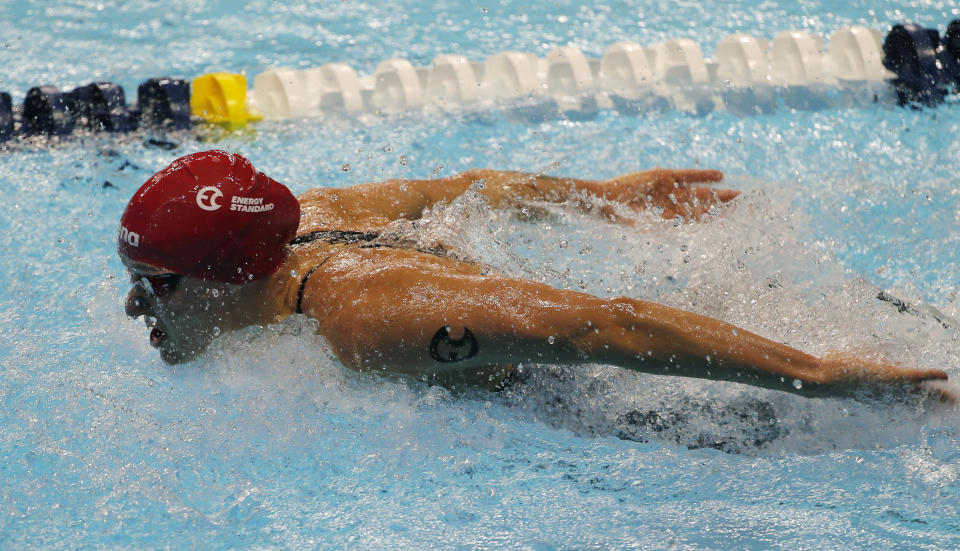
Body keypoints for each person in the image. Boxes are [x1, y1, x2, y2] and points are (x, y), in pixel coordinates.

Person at [118, 150, 949, 398]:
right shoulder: (323, 214)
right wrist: (604, 196)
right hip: (708, 322)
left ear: (227, 274)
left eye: (159, 282)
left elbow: (597, 328)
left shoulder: (362, 318)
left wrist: (817, 372)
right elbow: (461, 191)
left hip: (688, 404)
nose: (133, 304)